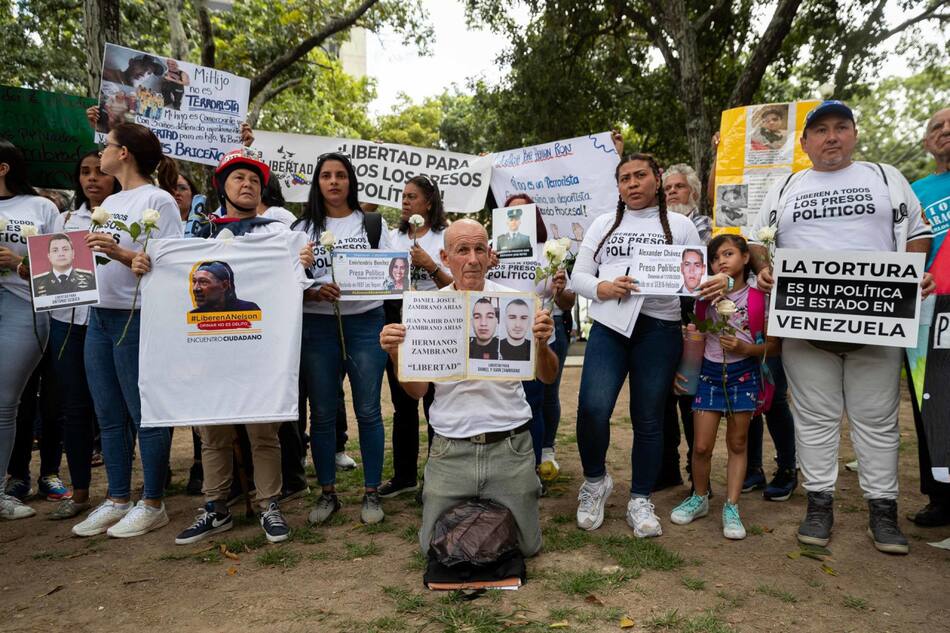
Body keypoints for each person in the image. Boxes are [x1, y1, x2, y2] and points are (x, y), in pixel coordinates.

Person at [750, 100, 935, 554]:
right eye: (821, 130)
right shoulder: (786, 186)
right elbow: (758, 242)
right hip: (805, 326)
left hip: (877, 323)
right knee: (814, 419)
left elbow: (918, 232)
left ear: (853, 134)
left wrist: (907, 280)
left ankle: (883, 511)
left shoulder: (886, 177)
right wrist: (766, 269)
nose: (831, 137)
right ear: (805, 141)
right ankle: (819, 505)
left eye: (840, 127)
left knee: (877, 420)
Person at [133, 147, 312, 544]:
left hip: (259, 355)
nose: (247, 184)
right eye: (238, 178)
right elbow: (171, 277)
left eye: (253, 180)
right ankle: (215, 506)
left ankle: (269, 504)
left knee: (263, 430)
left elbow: (299, 283)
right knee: (211, 432)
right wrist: (147, 264)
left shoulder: (279, 236)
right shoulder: (196, 234)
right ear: (222, 186)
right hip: (207, 354)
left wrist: (304, 261)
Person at [379, 219, 559, 557]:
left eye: (480, 249)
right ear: (446, 257)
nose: (473, 259)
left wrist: (544, 345)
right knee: (432, 548)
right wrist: (395, 353)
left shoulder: (517, 304)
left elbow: (547, 377)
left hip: (510, 446)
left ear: (490, 255)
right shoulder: (426, 311)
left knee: (528, 548)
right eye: (463, 250)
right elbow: (417, 392)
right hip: (451, 451)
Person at [571, 153, 727, 537]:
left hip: (659, 329)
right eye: (625, 178)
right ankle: (595, 482)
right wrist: (602, 288)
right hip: (609, 326)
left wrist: (717, 282)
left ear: (657, 180)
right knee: (593, 408)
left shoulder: (681, 225)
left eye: (640, 176)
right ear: (618, 186)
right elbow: (578, 276)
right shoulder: (604, 224)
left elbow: (696, 278)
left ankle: (640, 498)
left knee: (649, 418)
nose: (632, 184)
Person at [70, 115, 183, 538]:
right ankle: (117, 498)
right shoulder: (111, 203)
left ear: (124, 154)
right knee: (108, 414)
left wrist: (118, 251)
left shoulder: (160, 201)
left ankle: (152, 501)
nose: (100, 152)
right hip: (97, 316)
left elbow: (169, 264)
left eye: (107, 144)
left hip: (136, 320)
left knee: (145, 412)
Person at [292, 152, 391, 525]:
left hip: (366, 324)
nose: (333, 182)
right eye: (326, 176)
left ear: (351, 181)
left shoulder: (372, 225)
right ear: (317, 184)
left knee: (368, 411)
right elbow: (288, 284)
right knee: (322, 414)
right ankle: (328, 494)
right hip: (317, 327)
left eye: (341, 176)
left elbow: (394, 272)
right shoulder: (301, 230)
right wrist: (313, 290)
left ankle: (371, 493)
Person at [670, 234, 778, 539]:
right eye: (716, 258)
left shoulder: (760, 297)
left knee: (738, 443)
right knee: (701, 446)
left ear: (746, 258)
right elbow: (694, 337)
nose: (722, 262)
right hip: (708, 375)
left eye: (728, 254)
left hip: (744, 375)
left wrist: (746, 350)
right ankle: (700, 497)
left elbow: (775, 346)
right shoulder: (704, 297)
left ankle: (731, 506)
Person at [40, 151, 120, 520]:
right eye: (85, 173)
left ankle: (123, 493)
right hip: (66, 321)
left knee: (114, 408)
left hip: (111, 320)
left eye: (100, 172)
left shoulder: (126, 215)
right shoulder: (65, 217)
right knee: (74, 407)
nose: (92, 179)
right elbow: (47, 268)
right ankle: (81, 493)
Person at [378, 175, 452, 499]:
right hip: (399, 318)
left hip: (437, 317)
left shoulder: (444, 236)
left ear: (429, 203)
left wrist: (430, 265)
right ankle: (404, 475)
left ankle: (437, 476)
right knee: (402, 402)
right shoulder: (391, 237)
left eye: (412, 196)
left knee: (435, 403)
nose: (405, 202)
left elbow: (456, 286)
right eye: (403, 196)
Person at [495, 193, 575, 480]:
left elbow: (567, 302)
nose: (517, 217)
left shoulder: (549, 250)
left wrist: (560, 288)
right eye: (511, 212)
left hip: (540, 334)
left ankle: (536, 464)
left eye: (523, 211)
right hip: (500, 333)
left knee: (537, 400)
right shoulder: (494, 249)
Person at [0, 139, 59, 520]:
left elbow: (64, 271)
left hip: (24, 307)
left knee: (4, 403)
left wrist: (20, 262)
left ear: (4, 167)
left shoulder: (42, 208)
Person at [907, 106, 950, 527]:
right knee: (931, 400)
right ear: (926, 142)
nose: (945, 131)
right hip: (928, 306)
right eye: (936, 126)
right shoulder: (914, 190)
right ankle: (940, 496)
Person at [31, 233, 96, 296]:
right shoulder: (37, 283)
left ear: (73, 253)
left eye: (65, 249)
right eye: (55, 250)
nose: (61, 254)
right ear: (49, 256)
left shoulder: (89, 278)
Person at [663, 164, 712, 244]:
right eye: (667, 188)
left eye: (679, 186)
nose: (672, 191)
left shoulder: (704, 223)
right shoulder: (655, 224)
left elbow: (695, 254)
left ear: (694, 193)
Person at [189, 261, 261, 313]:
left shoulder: (249, 310)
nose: (195, 288)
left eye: (203, 282)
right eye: (194, 281)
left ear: (224, 286)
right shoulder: (195, 315)